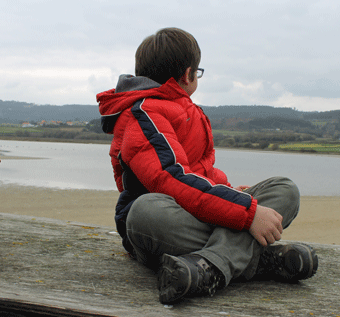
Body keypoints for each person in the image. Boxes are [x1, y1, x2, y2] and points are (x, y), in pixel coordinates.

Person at [96, 28, 318, 304]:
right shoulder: (143, 114)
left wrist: (227, 191)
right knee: (144, 212)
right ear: (188, 75)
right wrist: (245, 212)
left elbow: (200, 171)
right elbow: (172, 179)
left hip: (199, 214)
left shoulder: (186, 110)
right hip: (162, 226)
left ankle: (207, 267)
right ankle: (257, 259)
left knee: (285, 189)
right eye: (198, 73)